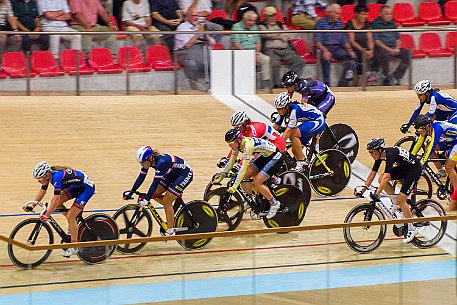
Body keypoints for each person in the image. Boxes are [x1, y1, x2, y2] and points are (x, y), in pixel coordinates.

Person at [356, 138, 422, 243]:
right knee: (380, 178)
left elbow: (387, 177)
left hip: (414, 169)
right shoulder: (380, 156)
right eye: (370, 153)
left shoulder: (390, 154)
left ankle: (411, 229)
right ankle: (396, 202)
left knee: (402, 199)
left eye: (372, 152)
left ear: (380, 150)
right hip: (404, 168)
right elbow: (373, 173)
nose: (371, 155)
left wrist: (377, 194)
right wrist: (363, 189)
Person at [27, 161, 95, 257]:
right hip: (76, 187)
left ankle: (74, 246)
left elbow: (56, 199)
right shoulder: (49, 177)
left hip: (86, 189)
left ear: (47, 174)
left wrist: (47, 215)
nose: (39, 181)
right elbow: (43, 190)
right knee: (60, 207)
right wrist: (33, 205)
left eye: (40, 179)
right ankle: (73, 221)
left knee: (70, 216)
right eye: (38, 179)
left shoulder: (56, 178)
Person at [213, 129, 283, 219]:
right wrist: (221, 177)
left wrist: (234, 186)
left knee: (257, 181)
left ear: (238, 140)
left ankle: (274, 203)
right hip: (265, 156)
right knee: (245, 176)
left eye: (231, 144)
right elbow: (231, 162)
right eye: (229, 145)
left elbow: (243, 168)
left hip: (275, 157)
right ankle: (250, 200)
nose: (231, 147)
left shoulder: (247, 146)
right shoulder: (238, 145)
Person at [123, 146, 193, 236]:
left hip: (184, 174)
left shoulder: (161, 163)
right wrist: (131, 192)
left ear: (150, 158)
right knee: (155, 194)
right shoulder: (149, 162)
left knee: (166, 201)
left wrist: (146, 199)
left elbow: (155, 183)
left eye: (143, 162)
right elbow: (141, 177)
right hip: (171, 173)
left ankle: (170, 231)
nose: (141, 165)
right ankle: (170, 208)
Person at [412, 115, 457, 212]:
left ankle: (456, 193)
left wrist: (422, 162)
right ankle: (441, 170)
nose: (420, 133)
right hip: (450, 140)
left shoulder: (437, 128)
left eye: (420, 131)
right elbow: (419, 144)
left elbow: (432, 146)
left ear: (427, 127)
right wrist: (410, 157)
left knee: (449, 166)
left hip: (455, 141)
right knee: (427, 146)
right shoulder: (426, 129)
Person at [272, 91, 326, 172]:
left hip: (318, 121)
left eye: (280, 109)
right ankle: (303, 169)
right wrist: (268, 138)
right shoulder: (283, 111)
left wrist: (279, 144)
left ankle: (302, 161)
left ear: (286, 106)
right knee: (295, 149)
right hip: (310, 121)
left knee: (293, 134)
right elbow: (275, 127)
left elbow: (289, 130)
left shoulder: (294, 110)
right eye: (277, 109)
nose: (278, 111)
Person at [258, 6, 305, 88]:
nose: (273, 17)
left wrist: (276, 35)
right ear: (265, 16)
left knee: (300, 61)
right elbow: (267, 34)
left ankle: (289, 81)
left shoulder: (280, 24)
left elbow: (288, 35)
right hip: (271, 50)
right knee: (274, 64)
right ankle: (275, 85)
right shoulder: (261, 26)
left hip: (285, 49)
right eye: (270, 16)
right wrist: (279, 34)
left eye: (274, 15)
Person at [313, 4, 357, 87]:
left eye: (339, 14)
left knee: (353, 57)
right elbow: (317, 40)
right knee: (326, 58)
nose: (339, 16)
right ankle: (327, 83)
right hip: (324, 47)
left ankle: (343, 83)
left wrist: (349, 50)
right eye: (337, 14)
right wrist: (325, 51)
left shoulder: (339, 23)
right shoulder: (320, 23)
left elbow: (343, 39)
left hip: (337, 48)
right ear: (329, 13)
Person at [174, 7, 215, 89]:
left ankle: (212, 88)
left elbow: (212, 43)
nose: (196, 18)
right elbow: (187, 45)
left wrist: (206, 34)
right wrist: (199, 33)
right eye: (193, 16)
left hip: (199, 50)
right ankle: (194, 89)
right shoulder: (182, 27)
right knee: (191, 64)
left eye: (197, 15)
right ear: (187, 17)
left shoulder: (199, 26)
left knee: (213, 63)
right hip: (184, 52)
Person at [371, 5, 410, 86]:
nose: (389, 16)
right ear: (380, 14)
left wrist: (397, 48)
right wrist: (389, 50)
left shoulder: (392, 23)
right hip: (381, 48)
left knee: (407, 54)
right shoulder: (375, 23)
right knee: (384, 56)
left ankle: (396, 77)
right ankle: (386, 81)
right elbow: (377, 41)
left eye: (390, 14)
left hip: (393, 47)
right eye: (387, 14)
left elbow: (398, 38)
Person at [232, 10, 271, 89]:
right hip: (241, 53)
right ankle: (247, 86)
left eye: (253, 21)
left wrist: (256, 54)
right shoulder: (236, 27)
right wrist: (247, 55)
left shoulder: (254, 27)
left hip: (254, 52)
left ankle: (266, 84)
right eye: (250, 20)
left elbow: (258, 42)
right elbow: (236, 44)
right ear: (244, 19)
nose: (252, 23)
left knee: (266, 59)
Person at [345, 4, 379, 84]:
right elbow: (352, 41)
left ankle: (372, 76)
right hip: (356, 48)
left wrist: (371, 50)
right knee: (360, 57)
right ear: (356, 14)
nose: (365, 16)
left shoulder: (367, 24)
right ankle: (360, 81)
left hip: (366, 49)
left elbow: (370, 38)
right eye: (363, 14)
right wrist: (364, 51)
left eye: (366, 14)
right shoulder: (350, 24)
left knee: (378, 53)